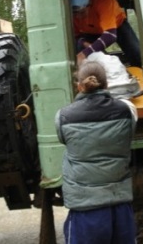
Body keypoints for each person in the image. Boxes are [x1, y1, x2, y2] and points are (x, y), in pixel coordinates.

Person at [55, 61, 138, 244]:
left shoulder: (63, 117)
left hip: (85, 210)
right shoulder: (126, 111)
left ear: (79, 85)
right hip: (119, 206)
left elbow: (63, 139)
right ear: (107, 84)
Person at [71, 0, 141, 67]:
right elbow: (76, 37)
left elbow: (110, 36)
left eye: (81, 12)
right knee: (82, 53)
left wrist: (84, 54)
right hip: (89, 32)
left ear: (90, 4)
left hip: (116, 26)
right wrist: (84, 44)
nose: (78, 16)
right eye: (75, 13)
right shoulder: (68, 10)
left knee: (137, 53)